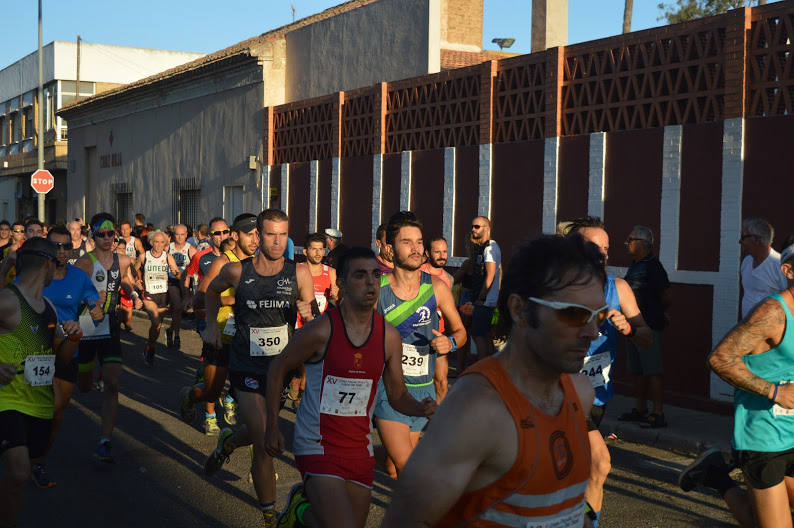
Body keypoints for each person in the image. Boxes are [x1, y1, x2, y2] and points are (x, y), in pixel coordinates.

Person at [382, 234, 604, 527]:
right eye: (574, 314)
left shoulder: (580, 393)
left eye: (598, 317)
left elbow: (564, 509)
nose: (592, 333)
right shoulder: (477, 408)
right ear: (519, 310)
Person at [265, 247, 438, 528]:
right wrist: (272, 425)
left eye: (374, 275)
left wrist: (421, 408)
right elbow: (277, 368)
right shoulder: (321, 331)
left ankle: (300, 511)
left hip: (359, 448)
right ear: (341, 284)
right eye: (360, 275)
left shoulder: (388, 337)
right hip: (317, 445)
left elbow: (396, 394)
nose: (371, 283)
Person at [200, 209, 316, 526]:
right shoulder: (237, 271)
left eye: (283, 234)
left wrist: (310, 312)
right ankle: (270, 515)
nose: (277, 241)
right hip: (245, 365)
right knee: (266, 439)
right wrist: (212, 325)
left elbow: (315, 320)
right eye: (270, 234)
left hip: (281, 368)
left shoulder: (300, 273)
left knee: (256, 432)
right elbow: (211, 292)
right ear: (258, 236)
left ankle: (228, 441)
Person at [680, 242, 794, 528]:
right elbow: (720, 358)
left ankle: (715, 469)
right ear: (788, 270)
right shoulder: (772, 313)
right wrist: (776, 392)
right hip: (763, 435)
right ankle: (717, 476)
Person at [566, 215, 652, 527]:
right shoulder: (558, 290)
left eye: (606, 248)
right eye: (594, 247)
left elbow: (647, 338)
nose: (602, 254)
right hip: (561, 395)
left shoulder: (620, 288)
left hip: (598, 399)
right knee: (599, 464)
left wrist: (628, 328)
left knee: (580, 473)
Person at [374, 211, 466, 479]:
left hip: (422, 389)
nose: (416, 248)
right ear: (390, 249)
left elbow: (460, 332)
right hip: (389, 391)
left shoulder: (437, 287)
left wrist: (449, 342)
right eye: (407, 242)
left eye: (419, 242)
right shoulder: (378, 290)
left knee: (394, 467)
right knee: (410, 470)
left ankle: (363, 458)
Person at [0, 237, 83, 527]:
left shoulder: (48, 306)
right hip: (7, 401)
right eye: (55, 265)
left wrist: (73, 337)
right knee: (19, 472)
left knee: (20, 477)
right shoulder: (8, 300)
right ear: (47, 265)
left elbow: (61, 358)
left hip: (39, 404)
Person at [29, 226, 102, 488]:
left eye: (65, 246)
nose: (61, 251)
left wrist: (96, 309)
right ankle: (23, 451)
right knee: (42, 408)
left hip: (69, 349)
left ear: (72, 248)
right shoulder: (35, 275)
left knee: (57, 413)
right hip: (37, 350)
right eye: (56, 246)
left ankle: (39, 461)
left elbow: (94, 301)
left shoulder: (78, 277)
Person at [179, 213, 259, 433]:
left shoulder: (260, 262)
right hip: (222, 335)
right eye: (250, 235)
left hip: (249, 337)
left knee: (254, 393)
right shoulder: (223, 263)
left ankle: (258, 461)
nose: (255, 240)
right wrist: (231, 300)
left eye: (258, 235)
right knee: (212, 392)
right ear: (235, 235)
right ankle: (189, 396)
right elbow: (199, 301)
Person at [74, 213, 139, 463]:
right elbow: (75, 291)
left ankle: (105, 440)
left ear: (116, 236)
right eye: (101, 234)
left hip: (110, 323)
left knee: (113, 383)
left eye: (110, 234)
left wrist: (132, 293)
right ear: (93, 235)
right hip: (87, 325)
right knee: (84, 386)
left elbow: (122, 280)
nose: (106, 238)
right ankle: (85, 374)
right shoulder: (84, 263)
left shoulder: (122, 260)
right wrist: (89, 301)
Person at [182, 217, 231, 434]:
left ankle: (224, 395)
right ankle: (211, 417)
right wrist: (188, 299)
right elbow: (188, 277)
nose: (221, 236)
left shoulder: (240, 258)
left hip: (232, 321)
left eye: (225, 232)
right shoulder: (202, 257)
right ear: (210, 236)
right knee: (212, 365)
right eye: (217, 233)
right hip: (208, 318)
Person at [619, 226, 672, 428]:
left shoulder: (653, 267)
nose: (626, 243)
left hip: (648, 327)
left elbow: (666, 296)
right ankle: (640, 409)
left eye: (630, 239)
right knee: (638, 370)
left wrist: (656, 313)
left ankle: (658, 413)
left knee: (653, 370)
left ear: (643, 243)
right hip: (632, 327)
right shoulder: (634, 266)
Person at [139, 230, 181, 366]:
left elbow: (176, 271)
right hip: (148, 294)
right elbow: (133, 270)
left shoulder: (168, 257)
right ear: (151, 242)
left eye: (162, 242)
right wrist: (136, 281)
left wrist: (178, 273)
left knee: (157, 326)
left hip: (163, 294)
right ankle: (151, 347)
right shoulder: (143, 256)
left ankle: (150, 346)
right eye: (156, 242)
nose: (158, 245)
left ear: (165, 244)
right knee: (156, 321)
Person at [740, 218, 787, 319]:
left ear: (756, 240)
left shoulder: (780, 266)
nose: (740, 241)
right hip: (747, 329)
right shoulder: (746, 261)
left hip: (771, 331)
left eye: (743, 237)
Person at [469, 216, 501, 360]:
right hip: (488, 300)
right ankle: (492, 368)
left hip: (485, 301)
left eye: (477, 226)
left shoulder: (489, 249)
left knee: (478, 335)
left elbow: (491, 275)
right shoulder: (489, 247)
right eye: (473, 226)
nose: (473, 229)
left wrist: (481, 298)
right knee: (486, 335)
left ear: (487, 229)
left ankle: (482, 368)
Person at [166, 224, 196, 351]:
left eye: (182, 235)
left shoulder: (191, 249)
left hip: (185, 282)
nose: (179, 237)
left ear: (186, 235)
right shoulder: (168, 248)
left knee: (178, 311)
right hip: (172, 282)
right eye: (177, 234)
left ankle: (170, 330)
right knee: (177, 308)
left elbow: (198, 265)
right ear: (173, 235)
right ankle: (177, 337)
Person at [117, 221, 145, 332]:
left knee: (128, 317)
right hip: (118, 270)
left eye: (126, 229)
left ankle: (126, 322)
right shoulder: (116, 240)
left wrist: (136, 266)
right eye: (122, 229)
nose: (124, 231)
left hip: (131, 270)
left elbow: (143, 256)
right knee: (118, 308)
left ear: (130, 230)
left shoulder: (135, 241)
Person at [0, 220, 45, 287]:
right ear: (25, 234)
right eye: (31, 231)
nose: (35, 235)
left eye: (38, 232)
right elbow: (2, 274)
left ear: (42, 234)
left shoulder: (47, 254)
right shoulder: (15, 253)